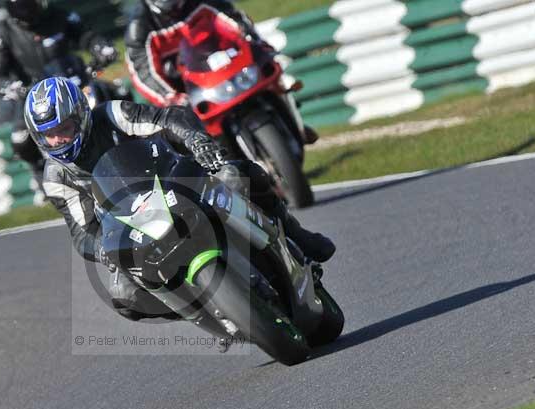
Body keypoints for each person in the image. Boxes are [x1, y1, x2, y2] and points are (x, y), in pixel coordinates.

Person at [23, 76, 334, 323]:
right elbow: (81, 232)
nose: (58, 140)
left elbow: (167, 118)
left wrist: (194, 139)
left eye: (63, 129)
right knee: (124, 295)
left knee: (237, 175)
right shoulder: (56, 178)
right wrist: (101, 248)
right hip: (132, 228)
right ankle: (204, 310)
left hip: (173, 179)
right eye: (49, 135)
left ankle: (296, 234)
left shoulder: (112, 115)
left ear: (80, 116)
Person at [124, 0, 319, 143]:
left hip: (224, 66)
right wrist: (171, 96)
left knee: (269, 66)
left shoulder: (202, 2)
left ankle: (294, 122)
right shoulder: (139, 28)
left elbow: (235, 21)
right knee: (179, 132)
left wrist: (256, 44)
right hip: (186, 89)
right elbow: (143, 72)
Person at [0, 0, 118, 175]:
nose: (33, 5)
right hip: (33, 98)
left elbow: (87, 35)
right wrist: (9, 87)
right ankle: (42, 172)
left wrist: (101, 47)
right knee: (20, 139)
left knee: (118, 93)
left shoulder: (59, 15)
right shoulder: (2, 35)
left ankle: (133, 144)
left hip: (74, 86)